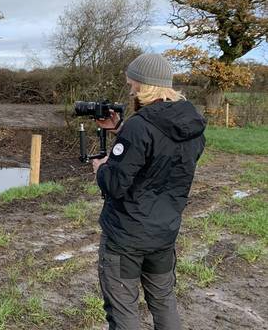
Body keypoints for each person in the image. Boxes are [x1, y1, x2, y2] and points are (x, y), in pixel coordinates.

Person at [91, 53, 206, 330]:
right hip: (164, 232)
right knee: (165, 302)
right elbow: (162, 159)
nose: (131, 90)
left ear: (144, 85)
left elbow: (116, 184)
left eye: (133, 84)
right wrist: (120, 129)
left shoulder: (140, 125)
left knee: (123, 311)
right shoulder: (192, 125)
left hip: (126, 238)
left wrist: (101, 169)